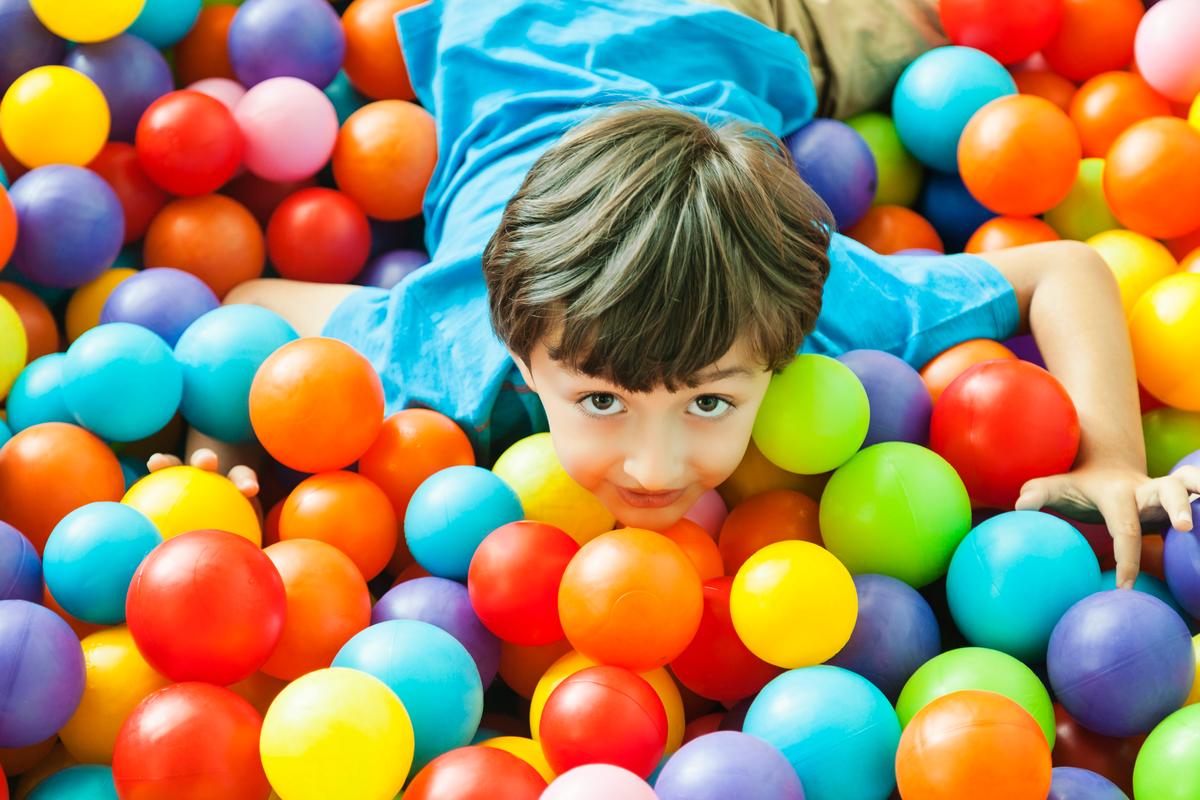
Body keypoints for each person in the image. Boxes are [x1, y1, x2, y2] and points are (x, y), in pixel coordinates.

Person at [151, 0, 1198, 588]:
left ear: (783, 351)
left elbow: (1067, 266)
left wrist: (1110, 455)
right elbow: (249, 296)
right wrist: (249, 443)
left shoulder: (818, 298)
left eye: (707, 402)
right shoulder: (450, 338)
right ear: (523, 359)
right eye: (601, 401)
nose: (655, 468)